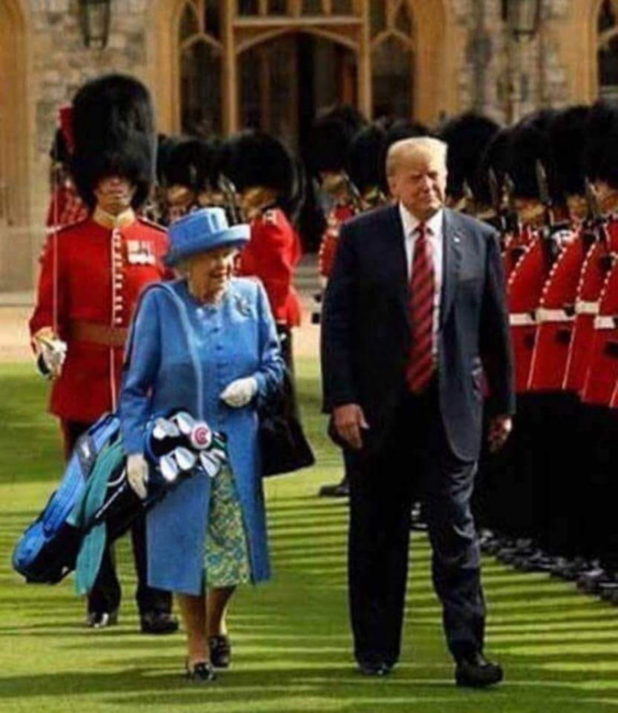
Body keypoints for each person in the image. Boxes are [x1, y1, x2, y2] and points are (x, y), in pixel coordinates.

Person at [321, 136, 514, 686]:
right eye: (416, 177)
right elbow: (337, 324)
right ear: (393, 184)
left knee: (455, 531)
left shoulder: (478, 239)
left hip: (450, 412)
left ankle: (468, 651)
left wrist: (502, 405)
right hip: (378, 412)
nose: (428, 186)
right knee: (377, 533)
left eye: (435, 176)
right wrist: (342, 399)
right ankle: (376, 648)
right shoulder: (362, 237)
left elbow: (494, 330)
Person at [29, 74, 177, 634]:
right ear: (90, 179)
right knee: (90, 501)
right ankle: (101, 597)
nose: (116, 185)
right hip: (86, 385)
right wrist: (48, 345)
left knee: (150, 495)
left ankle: (156, 601)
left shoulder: (161, 242)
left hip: (147, 387)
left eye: (125, 176)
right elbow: (46, 316)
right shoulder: (65, 245)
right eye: (106, 175)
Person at [119, 207, 284, 682]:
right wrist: (135, 448)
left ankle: (216, 621)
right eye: (212, 256)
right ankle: (196, 644)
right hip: (178, 452)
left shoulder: (251, 297)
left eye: (228, 254)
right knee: (184, 546)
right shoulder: (160, 304)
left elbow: (274, 365)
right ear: (185, 264)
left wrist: (255, 385)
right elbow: (135, 387)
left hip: (237, 448)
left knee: (234, 549)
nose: (223, 265)